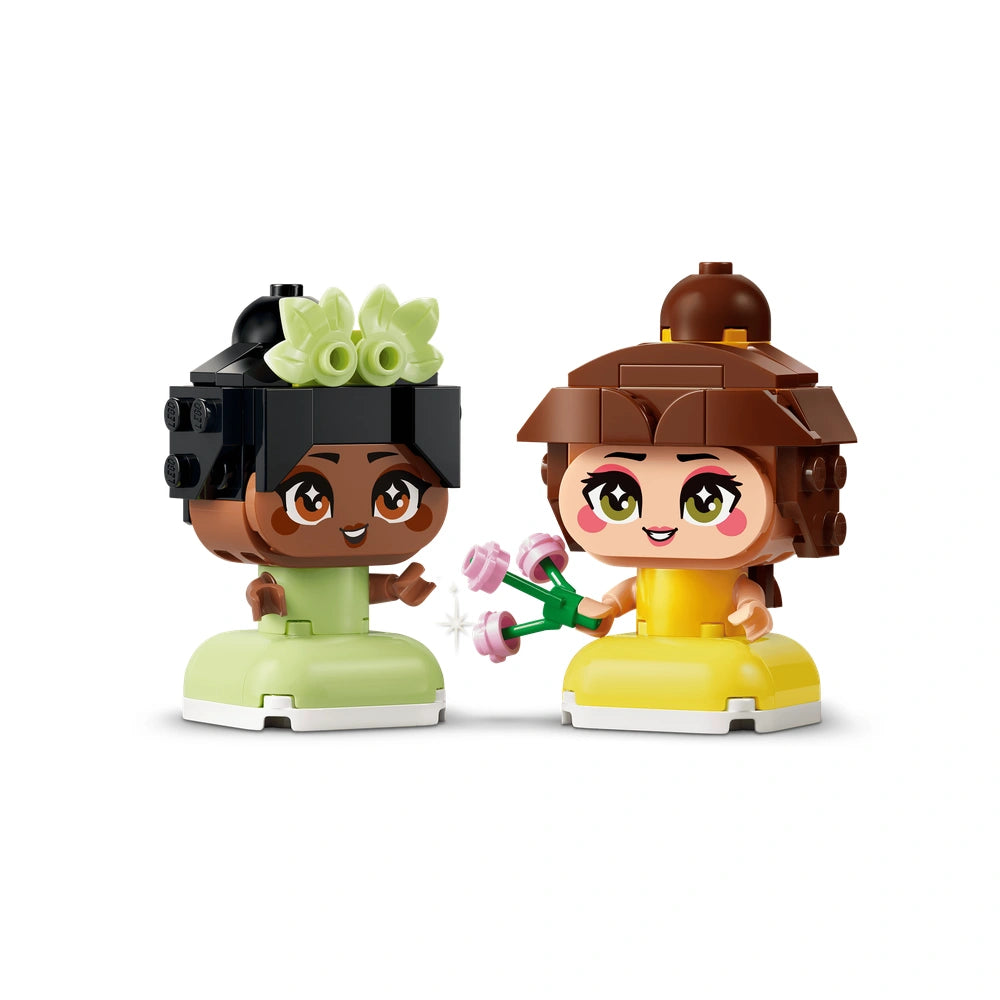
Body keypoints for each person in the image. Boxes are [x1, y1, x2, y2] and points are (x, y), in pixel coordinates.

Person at [518, 262, 854, 733]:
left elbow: (746, 593)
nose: (659, 523)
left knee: (740, 670)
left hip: (726, 650)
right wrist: (604, 609)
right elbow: (629, 595)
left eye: (705, 500)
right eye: (617, 498)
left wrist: (753, 612)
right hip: (654, 647)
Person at [164, 283, 460, 731]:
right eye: (310, 499)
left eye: (393, 496)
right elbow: (264, 592)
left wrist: (394, 587)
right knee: (283, 670)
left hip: (338, 645)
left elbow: (357, 590)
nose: (355, 520)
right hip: (283, 648)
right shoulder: (243, 480)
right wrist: (263, 595)